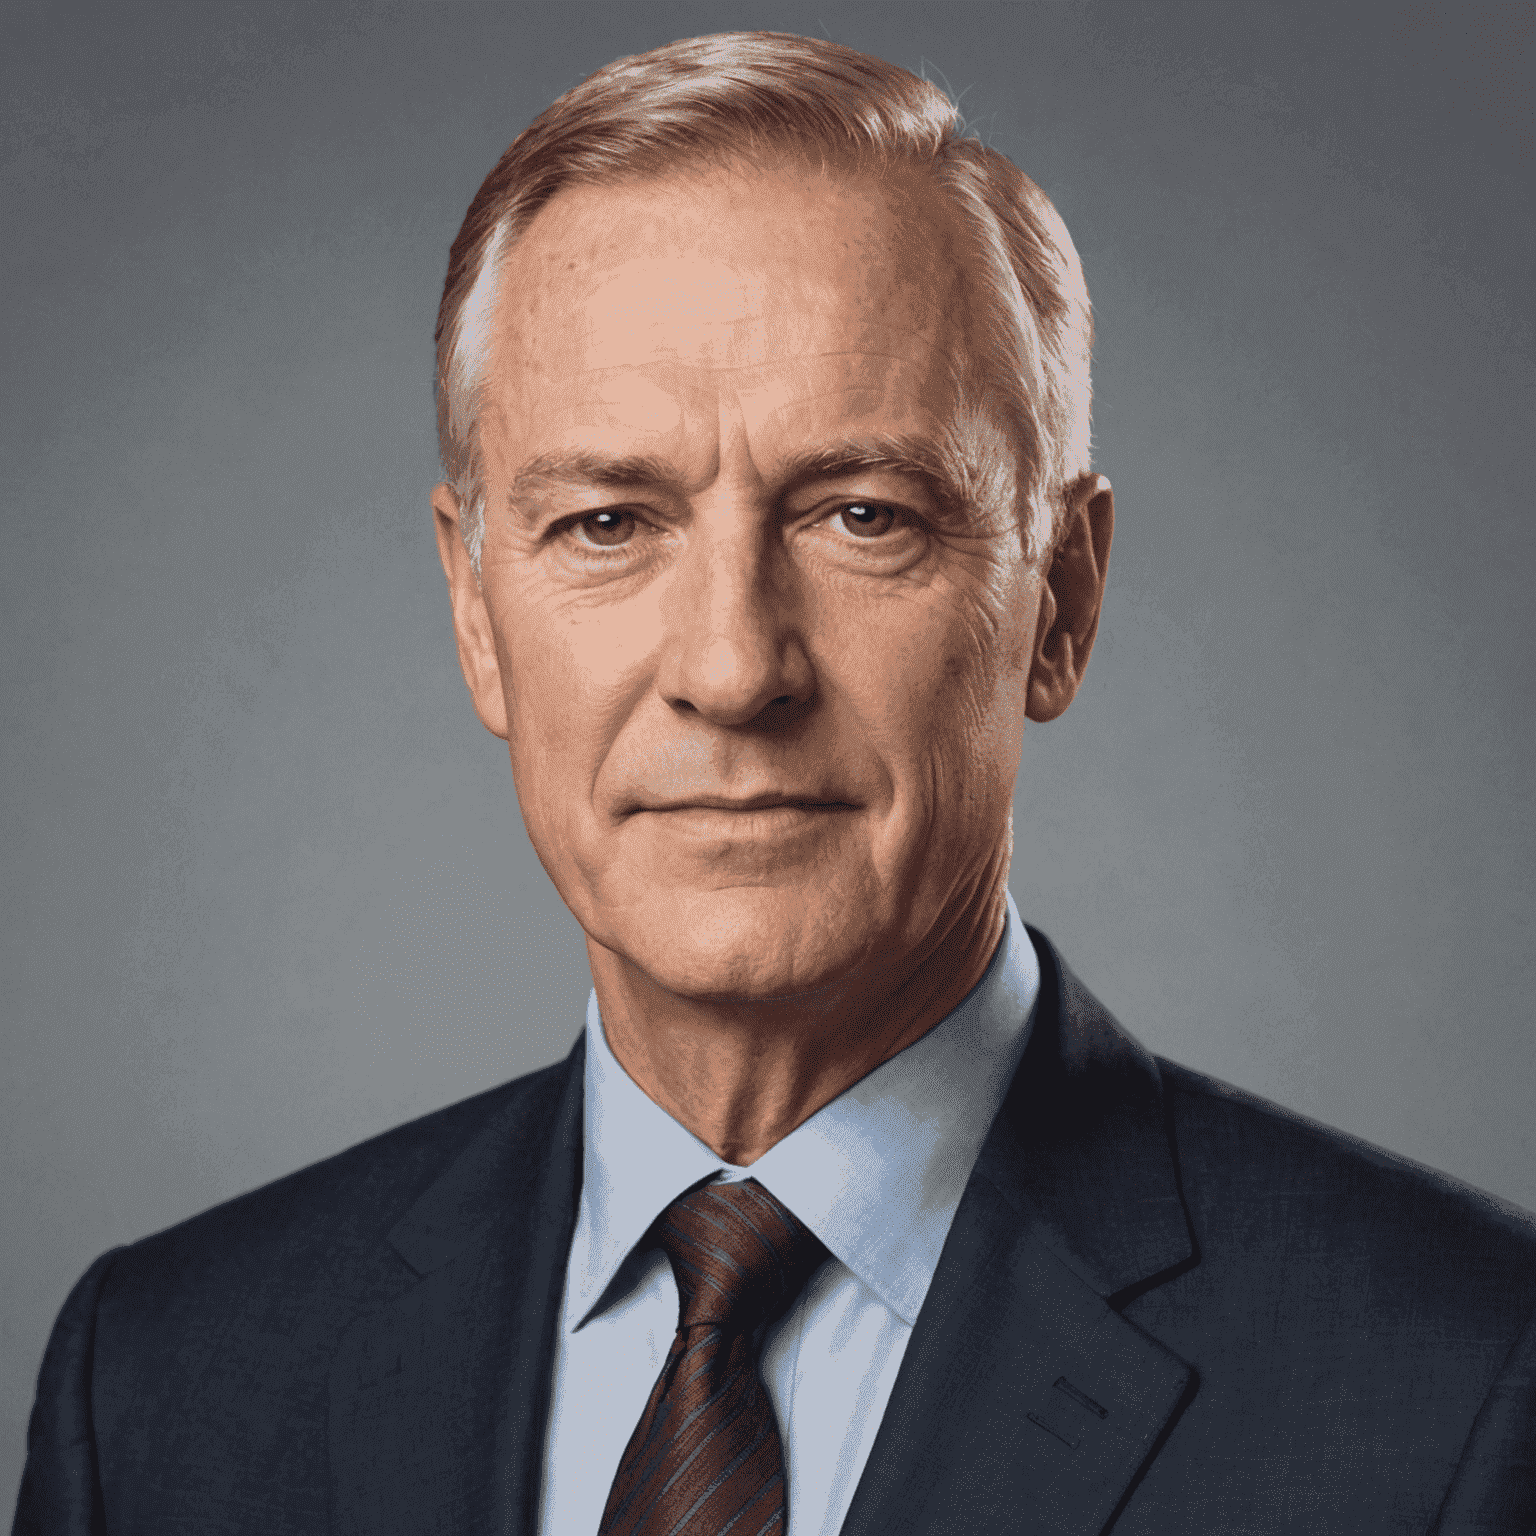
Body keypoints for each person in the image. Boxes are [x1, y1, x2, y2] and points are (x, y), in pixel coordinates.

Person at [13, 31, 1535, 1536]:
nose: (735, 669)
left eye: (863, 515)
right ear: (478, 615)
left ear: (1059, 601)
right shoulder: (159, 1380)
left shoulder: (1465, 1387)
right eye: (610, 523)